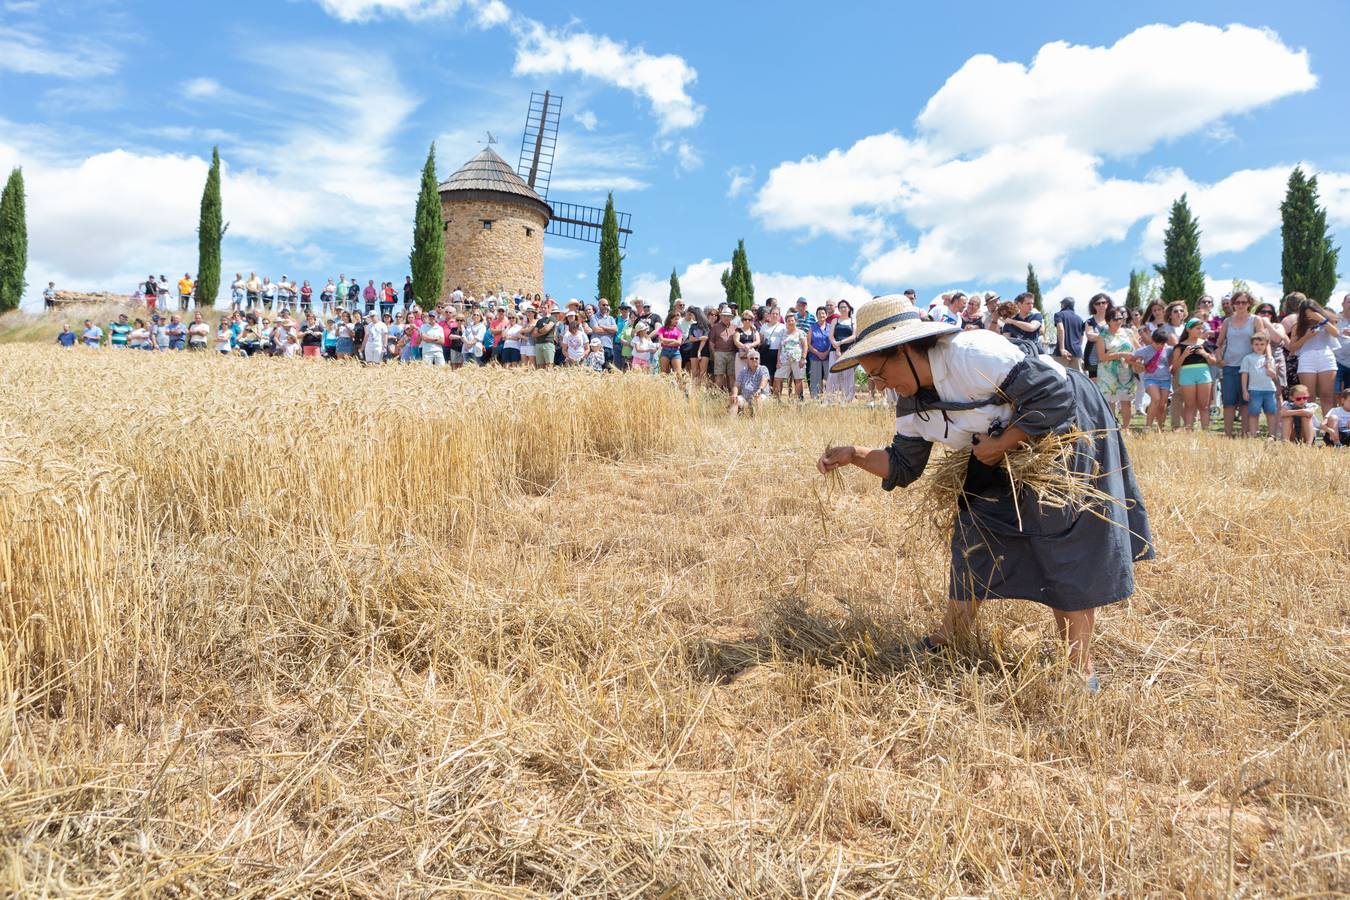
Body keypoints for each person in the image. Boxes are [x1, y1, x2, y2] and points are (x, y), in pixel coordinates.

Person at [816, 294, 1153, 691]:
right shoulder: (909, 403)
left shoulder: (972, 354)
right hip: (996, 444)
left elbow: (1055, 397)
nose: (879, 384)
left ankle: (1078, 667)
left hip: (1062, 429)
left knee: (1060, 533)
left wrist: (1000, 444)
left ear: (904, 349)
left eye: (879, 372)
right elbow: (903, 467)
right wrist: (853, 455)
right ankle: (950, 637)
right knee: (975, 527)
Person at [1214, 291, 1266, 438]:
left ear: (1249, 304)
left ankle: (1245, 435)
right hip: (1230, 366)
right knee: (1229, 402)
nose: (1241, 305)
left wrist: (1265, 361)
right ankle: (1228, 435)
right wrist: (1219, 360)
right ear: (1233, 304)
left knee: (1246, 402)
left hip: (1249, 367)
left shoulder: (1256, 320)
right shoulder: (1227, 322)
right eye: (1237, 302)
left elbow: (1262, 341)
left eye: (1244, 302)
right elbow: (1218, 344)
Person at [1287, 293, 1342, 414]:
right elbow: (1292, 347)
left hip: (1326, 357)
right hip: (1307, 358)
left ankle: (1329, 428)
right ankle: (1309, 429)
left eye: (1312, 313)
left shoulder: (1327, 322)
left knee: (1327, 395)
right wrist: (1307, 337)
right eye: (1307, 314)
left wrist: (1322, 319)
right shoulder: (1298, 326)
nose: (1310, 317)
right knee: (1309, 396)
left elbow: (1336, 333)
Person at [1094, 308, 1138, 429]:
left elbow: (1138, 349)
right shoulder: (1102, 336)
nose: (1119, 321)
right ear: (1108, 321)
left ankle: (1126, 428)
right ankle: (1111, 427)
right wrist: (1121, 355)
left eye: (1120, 318)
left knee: (1126, 400)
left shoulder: (1129, 333)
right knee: (1109, 400)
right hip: (1107, 371)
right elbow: (1102, 357)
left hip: (1126, 370)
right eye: (1115, 319)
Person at [1171, 318, 1215, 431]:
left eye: (1202, 328)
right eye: (1197, 328)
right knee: (1189, 406)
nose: (1200, 331)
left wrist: (1204, 353)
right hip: (1187, 375)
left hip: (1203, 374)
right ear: (1189, 329)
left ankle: (1205, 432)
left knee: (1204, 406)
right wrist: (1184, 355)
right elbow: (1174, 368)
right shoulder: (1179, 346)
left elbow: (1213, 361)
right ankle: (1188, 431)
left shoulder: (1205, 344)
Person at [1132, 329, 1173, 431]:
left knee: (1162, 405)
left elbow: (1172, 361)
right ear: (1152, 340)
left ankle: (1160, 428)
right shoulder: (1144, 350)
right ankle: (1148, 426)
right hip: (1150, 379)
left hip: (1166, 380)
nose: (1160, 346)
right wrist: (1139, 365)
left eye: (1162, 343)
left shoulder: (1168, 350)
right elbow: (1131, 359)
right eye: (1157, 343)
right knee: (1156, 399)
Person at [1240, 333, 1279, 438]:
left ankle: (1272, 435)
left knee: (1271, 412)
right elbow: (1244, 375)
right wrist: (1245, 390)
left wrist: (1269, 367)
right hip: (1254, 390)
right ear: (1252, 345)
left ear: (1266, 345)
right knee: (1253, 413)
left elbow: (1274, 376)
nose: (1259, 346)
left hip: (1269, 390)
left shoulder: (1270, 359)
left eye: (1262, 344)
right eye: (1256, 344)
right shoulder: (1248, 358)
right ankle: (1253, 434)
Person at [826, 299, 857, 403]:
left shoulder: (853, 321)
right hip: (834, 351)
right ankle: (830, 399)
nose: (843, 309)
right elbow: (831, 336)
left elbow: (854, 336)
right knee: (832, 375)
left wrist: (841, 343)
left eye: (844, 307)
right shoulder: (835, 320)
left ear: (849, 308)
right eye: (840, 307)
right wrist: (837, 347)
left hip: (848, 351)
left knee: (848, 375)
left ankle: (847, 400)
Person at [774, 312, 808, 399]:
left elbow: (805, 346)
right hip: (784, 360)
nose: (791, 322)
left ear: (795, 321)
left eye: (792, 320)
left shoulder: (800, 332)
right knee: (777, 378)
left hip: (797, 359)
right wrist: (778, 361)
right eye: (788, 321)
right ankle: (777, 400)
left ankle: (797, 400)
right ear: (786, 322)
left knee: (798, 379)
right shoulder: (784, 333)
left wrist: (803, 358)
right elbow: (780, 348)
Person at [1081, 294, 1112, 380]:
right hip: (1093, 357)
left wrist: (1099, 337)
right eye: (1097, 303)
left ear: (1108, 304)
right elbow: (1090, 336)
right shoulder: (1090, 321)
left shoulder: (1112, 319)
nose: (1101, 305)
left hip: (1110, 357)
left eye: (1103, 302)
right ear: (1093, 306)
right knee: (1095, 386)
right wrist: (1109, 336)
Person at [730, 349, 770, 415]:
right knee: (735, 399)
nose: (754, 360)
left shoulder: (763, 368)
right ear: (748, 361)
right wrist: (735, 394)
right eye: (752, 358)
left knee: (757, 398)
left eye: (756, 358)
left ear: (759, 360)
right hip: (745, 397)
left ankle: (758, 420)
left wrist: (760, 389)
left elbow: (765, 379)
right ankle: (731, 421)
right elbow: (736, 385)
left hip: (760, 395)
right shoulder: (743, 372)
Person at [710, 307, 738, 392]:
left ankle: (733, 397)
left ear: (731, 317)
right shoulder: (715, 327)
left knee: (732, 376)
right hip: (719, 353)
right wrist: (714, 353)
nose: (726, 317)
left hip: (732, 354)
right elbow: (711, 342)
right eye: (724, 316)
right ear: (721, 317)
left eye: (728, 316)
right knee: (719, 376)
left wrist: (753, 327)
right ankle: (715, 397)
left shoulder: (735, 327)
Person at [807, 307, 831, 399]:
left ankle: (829, 399)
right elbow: (808, 344)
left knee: (829, 378)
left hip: (828, 356)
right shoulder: (812, 327)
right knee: (815, 380)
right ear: (816, 315)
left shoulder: (830, 327)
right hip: (814, 357)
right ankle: (815, 400)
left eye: (823, 313)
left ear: (826, 315)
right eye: (819, 313)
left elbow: (832, 341)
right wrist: (818, 353)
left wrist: (826, 352)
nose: (821, 315)